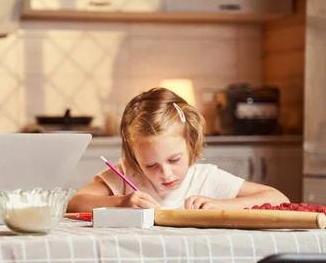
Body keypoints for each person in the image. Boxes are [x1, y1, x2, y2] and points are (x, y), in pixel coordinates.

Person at [68, 87, 289, 212]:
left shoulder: (205, 178)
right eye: (151, 165)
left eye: (174, 160)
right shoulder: (127, 175)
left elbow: (279, 198)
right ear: (135, 156)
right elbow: (74, 203)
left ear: (191, 143)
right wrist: (121, 201)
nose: (165, 173)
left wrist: (221, 205)